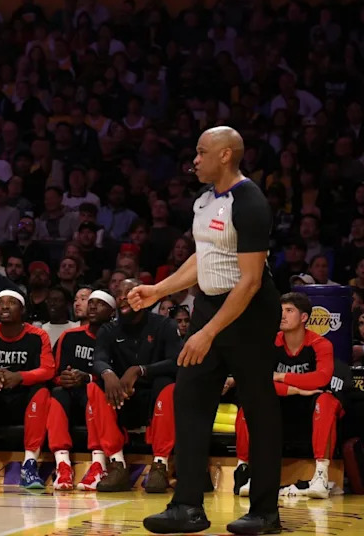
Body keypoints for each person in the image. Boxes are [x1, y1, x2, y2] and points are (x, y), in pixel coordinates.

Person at [135, 127, 284, 535]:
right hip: (212, 305)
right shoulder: (204, 200)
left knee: (258, 408)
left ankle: (265, 512)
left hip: (251, 312)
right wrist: (159, 290)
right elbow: (205, 259)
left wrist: (208, 333)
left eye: (201, 153)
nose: (194, 160)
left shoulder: (250, 201)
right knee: (190, 396)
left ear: (224, 155)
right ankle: (187, 507)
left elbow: (251, 280)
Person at [229, 292, 348, 500]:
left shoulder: (320, 344)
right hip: (280, 405)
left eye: (289, 311)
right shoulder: (270, 342)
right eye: (280, 310)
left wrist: (281, 376)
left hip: (310, 407)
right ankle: (247, 472)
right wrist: (295, 388)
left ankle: (321, 475)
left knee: (326, 401)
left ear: (304, 318)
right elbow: (259, 380)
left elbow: (321, 378)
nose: (282, 315)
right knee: (250, 403)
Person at [86, 279, 179, 494]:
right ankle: (117, 464)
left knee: (167, 384)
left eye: (129, 291)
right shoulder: (108, 329)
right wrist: (108, 374)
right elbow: (99, 358)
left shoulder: (164, 325)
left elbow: (176, 362)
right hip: (120, 398)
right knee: (96, 386)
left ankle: (160, 464)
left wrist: (140, 370)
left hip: (154, 397)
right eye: (118, 292)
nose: (122, 296)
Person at [0, 290, 56, 489]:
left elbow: (48, 370)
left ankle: (30, 464)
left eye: (12, 303)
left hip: (23, 398)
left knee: (42, 391)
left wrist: (21, 377)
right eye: (0, 303)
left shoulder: (37, 335)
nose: (5, 306)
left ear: (22, 310)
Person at [47, 290, 115, 491]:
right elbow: (54, 373)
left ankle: (98, 464)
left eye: (100, 304)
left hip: (98, 395)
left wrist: (87, 378)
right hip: (70, 393)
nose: (93, 306)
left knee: (95, 390)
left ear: (112, 312)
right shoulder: (68, 336)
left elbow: (117, 374)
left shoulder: (114, 337)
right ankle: (62, 464)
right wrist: (64, 378)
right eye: (91, 302)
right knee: (57, 394)